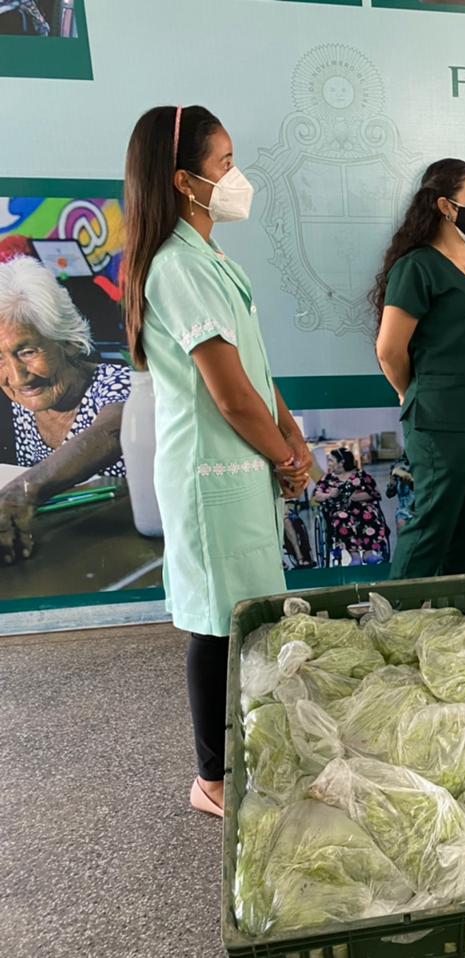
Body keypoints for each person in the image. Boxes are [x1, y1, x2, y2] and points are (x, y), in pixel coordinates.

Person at [122, 105, 310, 818]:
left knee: (244, 615)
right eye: (225, 164)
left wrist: (290, 433)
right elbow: (229, 396)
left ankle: (246, 756)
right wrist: (285, 456)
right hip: (212, 473)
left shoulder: (210, 259)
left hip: (240, 465)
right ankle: (212, 779)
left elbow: (255, 371)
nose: (237, 177)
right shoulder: (176, 267)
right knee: (218, 625)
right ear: (184, 180)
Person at [372, 158, 465, 579]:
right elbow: (389, 350)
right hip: (439, 418)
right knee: (433, 523)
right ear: (446, 206)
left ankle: (462, 610)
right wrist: (411, 393)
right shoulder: (417, 267)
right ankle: (397, 611)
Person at [0, 256, 130, 564]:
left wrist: (22, 492)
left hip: (125, 553)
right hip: (58, 555)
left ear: (67, 340)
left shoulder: (119, 385)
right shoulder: (12, 404)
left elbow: (110, 433)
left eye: (27, 351)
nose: (17, 377)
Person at [311, 447, 390, 565]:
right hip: (339, 509)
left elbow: (374, 493)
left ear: (341, 462)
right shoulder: (327, 478)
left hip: (361, 507)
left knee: (368, 515)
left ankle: (368, 553)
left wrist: (356, 497)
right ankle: (354, 556)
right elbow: (317, 496)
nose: (329, 463)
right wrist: (329, 495)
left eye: (331, 460)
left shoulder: (360, 475)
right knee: (342, 518)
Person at [384, 453, 414, 531]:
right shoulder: (399, 471)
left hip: (418, 511)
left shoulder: (421, 472)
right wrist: (392, 482)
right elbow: (389, 494)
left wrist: (410, 482)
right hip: (403, 512)